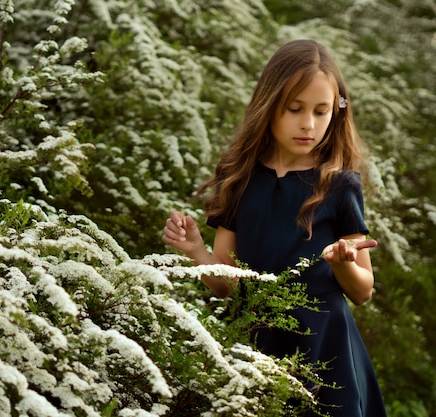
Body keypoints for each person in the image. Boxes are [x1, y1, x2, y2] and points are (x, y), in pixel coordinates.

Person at [162, 39, 387, 416]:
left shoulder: (339, 184)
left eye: (321, 111)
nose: (308, 124)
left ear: (337, 111)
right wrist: (196, 252)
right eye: (295, 108)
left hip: (325, 349)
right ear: (269, 105)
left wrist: (342, 263)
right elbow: (225, 284)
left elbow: (363, 291)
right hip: (255, 344)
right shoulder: (239, 179)